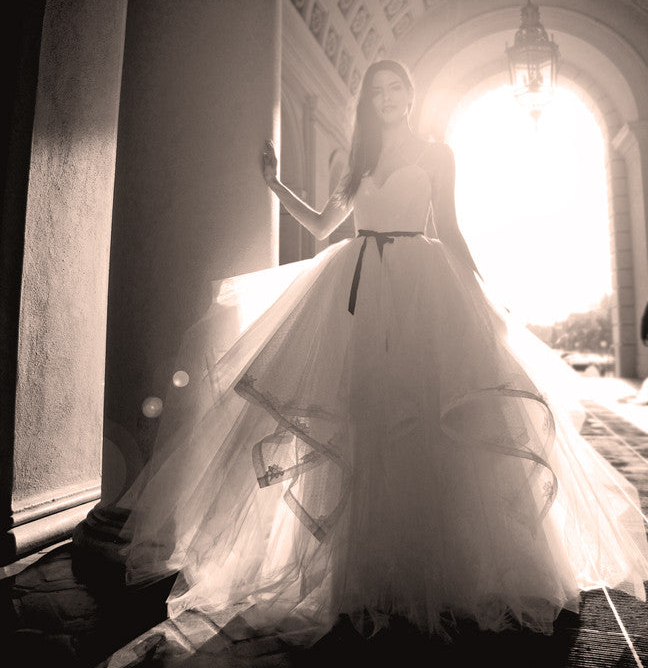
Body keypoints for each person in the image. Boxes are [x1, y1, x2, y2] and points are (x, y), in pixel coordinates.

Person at [122, 60, 648, 646]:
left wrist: (481, 299)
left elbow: (448, 227)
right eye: (378, 92)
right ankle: (363, 580)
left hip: (425, 291)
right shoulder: (359, 160)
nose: (388, 98)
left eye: (396, 89)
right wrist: (274, 185)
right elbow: (324, 227)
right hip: (356, 295)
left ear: (411, 95)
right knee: (361, 422)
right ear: (369, 102)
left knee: (430, 421)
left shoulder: (437, 153)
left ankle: (444, 573)